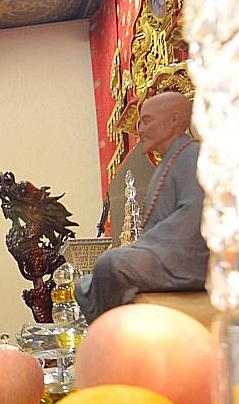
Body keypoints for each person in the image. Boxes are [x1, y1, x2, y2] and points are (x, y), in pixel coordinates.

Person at [76, 90, 211, 323]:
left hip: (187, 258)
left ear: (175, 119)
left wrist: (145, 247)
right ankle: (111, 329)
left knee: (111, 265)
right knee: (95, 275)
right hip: (168, 250)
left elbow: (194, 214)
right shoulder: (169, 161)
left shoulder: (193, 155)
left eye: (146, 121)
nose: (139, 129)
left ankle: (110, 334)